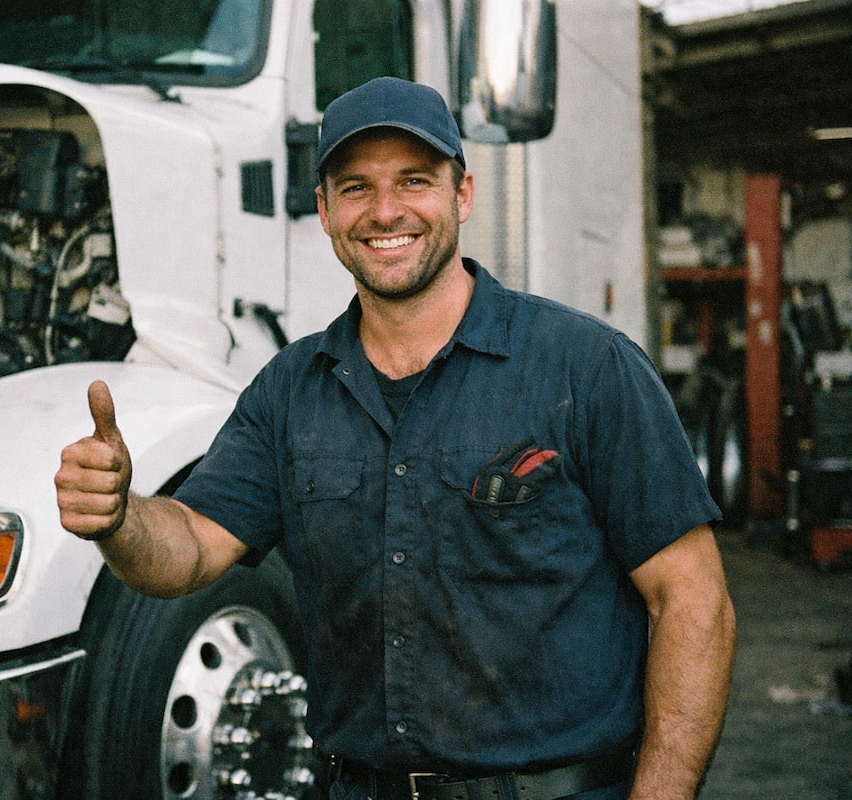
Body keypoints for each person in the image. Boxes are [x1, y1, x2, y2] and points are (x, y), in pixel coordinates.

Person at [56, 76, 736, 800]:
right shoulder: (291, 389)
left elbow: (693, 603)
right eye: (355, 188)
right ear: (323, 210)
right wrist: (122, 519)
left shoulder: (587, 368)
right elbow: (189, 547)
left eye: (414, 180)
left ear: (462, 194)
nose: (386, 211)